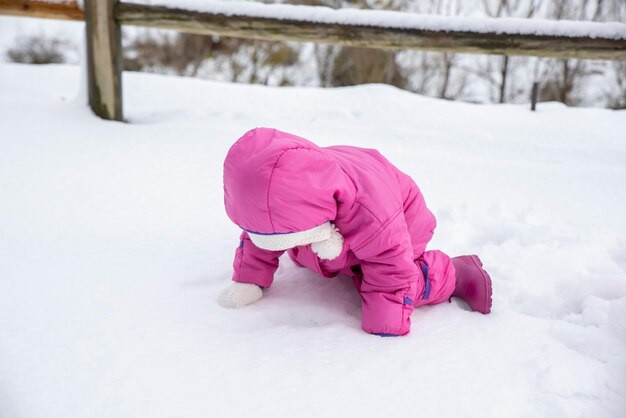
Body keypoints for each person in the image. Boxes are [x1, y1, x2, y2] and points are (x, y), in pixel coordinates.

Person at [218, 127, 492, 336]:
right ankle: (317, 248)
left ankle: (456, 273)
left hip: (402, 229)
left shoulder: (373, 211)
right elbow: (261, 231)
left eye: (280, 239)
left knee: (383, 284)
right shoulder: (281, 191)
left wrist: (386, 321)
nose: (272, 243)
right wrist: (249, 279)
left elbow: (391, 267)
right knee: (292, 244)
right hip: (329, 224)